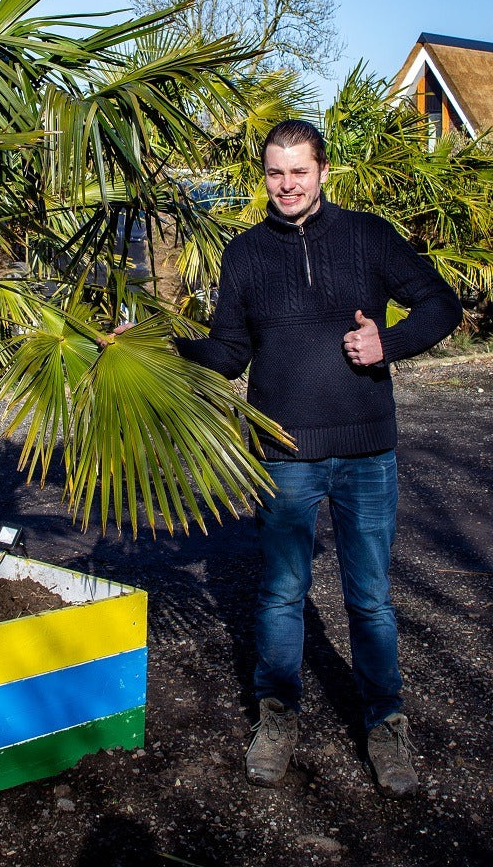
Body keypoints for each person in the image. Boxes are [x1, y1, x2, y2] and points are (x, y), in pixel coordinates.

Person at [174, 119, 462, 797]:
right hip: (283, 453)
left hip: (366, 450)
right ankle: (276, 714)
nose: (286, 185)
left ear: (322, 170)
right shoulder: (242, 254)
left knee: (369, 599)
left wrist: (386, 344)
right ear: (263, 174)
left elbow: (439, 303)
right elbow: (227, 354)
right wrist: (162, 347)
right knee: (279, 594)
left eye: (298, 171)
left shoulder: (366, 235)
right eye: (274, 172)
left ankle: (384, 724)